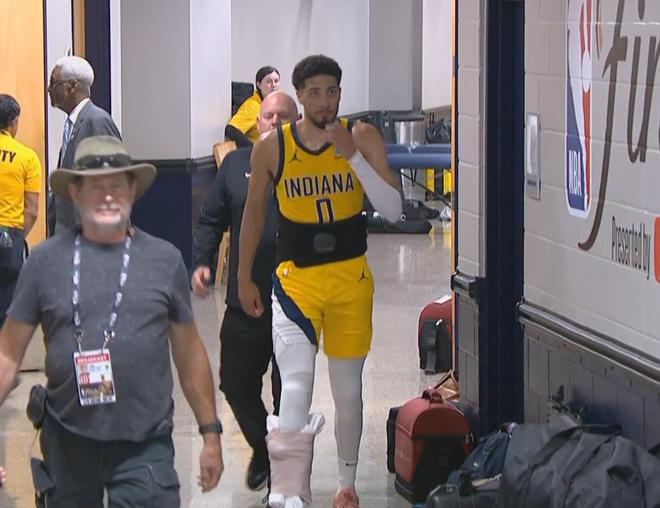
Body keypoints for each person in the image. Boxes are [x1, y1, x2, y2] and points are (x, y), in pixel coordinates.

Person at [0, 135, 223, 506]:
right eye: (94, 186)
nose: (107, 195)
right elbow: (7, 355)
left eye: (117, 185)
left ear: (133, 190)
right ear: (75, 193)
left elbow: (189, 353)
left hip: (144, 443)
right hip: (67, 440)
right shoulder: (44, 262)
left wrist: (211, 434)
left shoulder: (163, 260)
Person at [238, 55, 402, 507]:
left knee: (348, 393)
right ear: (299, 96)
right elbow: (253, 213)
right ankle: (289, 491)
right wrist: (243, 277)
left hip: (351, 281)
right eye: (315, 93)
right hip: (296, 283)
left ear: (340, 94)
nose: (324, 101)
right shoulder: (273, 147)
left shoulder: (361, 136)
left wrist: (353, 156)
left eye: (332, 92)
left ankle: (346, 484)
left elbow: (393, 209)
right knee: (295, 383)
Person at [192, 91, 298, 492]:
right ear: (258, 122)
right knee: (235, 383)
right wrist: (202, 262)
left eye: (283, 117)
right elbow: (211, 219)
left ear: (296, 122)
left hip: (296, 302)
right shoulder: (237, 164)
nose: (274, 122)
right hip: (245, 297)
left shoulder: (307, 167)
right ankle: (264, 448)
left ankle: (285, 477)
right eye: (268, 116)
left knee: (289, 391)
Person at [47, 55, 121, 234]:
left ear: (72, 86)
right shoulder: (73, 123)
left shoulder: (97, 121)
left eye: (53, 83)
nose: (49, 89)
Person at [0, 94, 41, 330]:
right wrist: (17, 237)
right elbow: (32, 210)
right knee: (7, 311)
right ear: (14, 121)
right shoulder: (27, 157)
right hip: (9, 238)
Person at [225, 66, 280, 147]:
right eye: (268, 81)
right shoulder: (253, 106)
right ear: (259, 85)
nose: (273, 85)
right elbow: (231, 129)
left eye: (276, 81)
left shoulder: (276, 104)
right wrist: (254, 149)